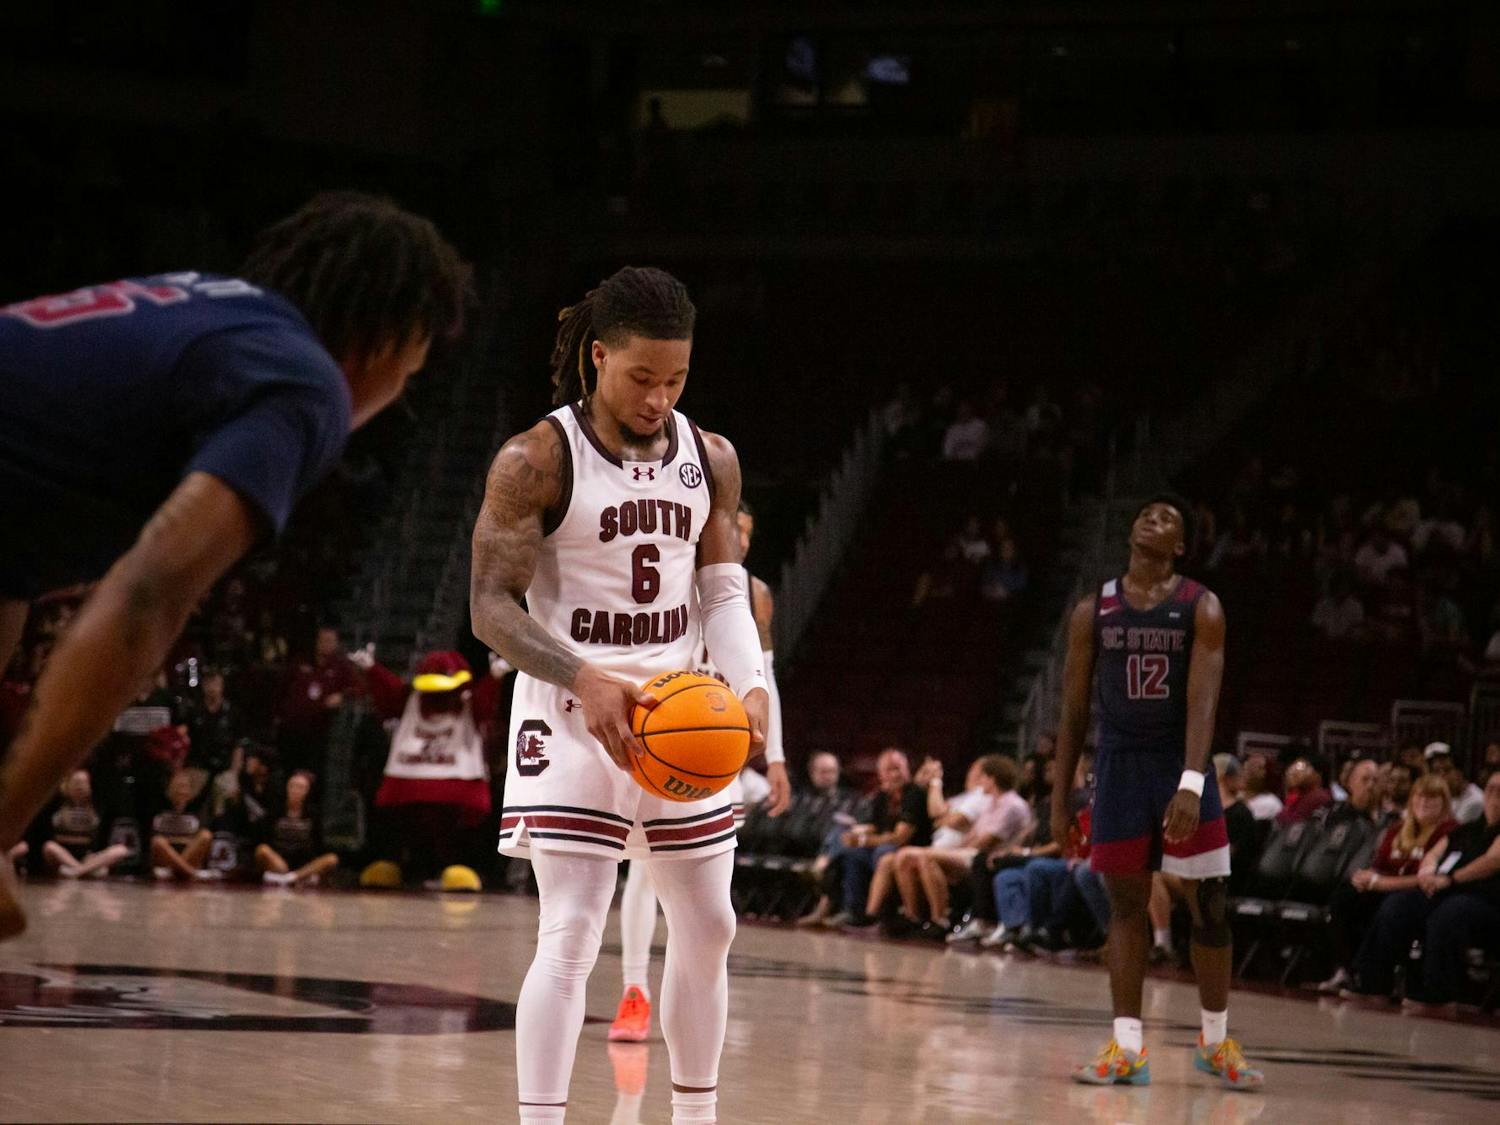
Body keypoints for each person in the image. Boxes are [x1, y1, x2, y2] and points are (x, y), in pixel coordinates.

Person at [0, 192, 470, 940]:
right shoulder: (304, 381)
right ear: (391, 342)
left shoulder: (201, 305)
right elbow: (150, 593)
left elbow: (14, 571)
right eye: (411, 373)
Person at [470, 266, 769, 1125]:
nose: (658, 397)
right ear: (598, 357)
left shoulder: (709, 457)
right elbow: (490, 607)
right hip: (570, 709)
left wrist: (747, 687)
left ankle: (696, 1115)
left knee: (711, 925)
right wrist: (580, 674)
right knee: (570, 929)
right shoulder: (534, 458)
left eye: (675, 379)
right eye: (642, 377)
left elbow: (721, 589)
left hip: (680, 706)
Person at [1053, 493, 1263, 1090]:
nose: (1153, 517)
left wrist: (1192, 784)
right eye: (1146, 512)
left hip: (1179, 763)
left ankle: (1216, 1042)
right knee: (1125, 907)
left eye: (1169, 517)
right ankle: (1127, 1050)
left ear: (1180, 546)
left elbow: (1204, 702)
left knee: (1211, 905)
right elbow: (1072, 713)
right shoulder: (1093, 610)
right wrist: (1058, 796)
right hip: (1118, 766)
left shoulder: (1203, 607)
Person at [610, 499, 790, 1043]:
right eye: (733, 527)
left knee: (708, 890)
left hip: (719, 746)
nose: (741, 538)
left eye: (748, 531)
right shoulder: (666, 575)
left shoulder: (754, 594)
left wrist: (776, 756)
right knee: (644, 871)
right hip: (669, 734)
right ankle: (634, 991)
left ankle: (695, 994)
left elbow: (765, 678)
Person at [1346, 771, 1500, 1007]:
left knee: (1449, 913)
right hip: (1448, 891)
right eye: (1490, 788)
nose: (1493, 795)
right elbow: (1434, 853)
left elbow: (1491, 861)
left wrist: (1450, 879)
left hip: (1486, 900)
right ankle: (1373, 983)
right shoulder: (1468, 829)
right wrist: (1428, 873)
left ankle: (1440, 992)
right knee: (1400, 904)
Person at [1316, 773, 1456, 993]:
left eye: (1432, 798)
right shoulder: (1397, 830)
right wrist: (1364, 877)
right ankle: (1347, 970)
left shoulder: (1449, 833)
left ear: (1444, 802)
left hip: (1419, 894)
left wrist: (1381, 883)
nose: (1424, 803)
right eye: (1419, 797)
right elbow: (1379, 865)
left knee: (1393, 907)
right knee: (1344, 899)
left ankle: (1373, 979)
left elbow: (1429, 878)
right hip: (1385, 887)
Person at [837, 749, 933, 928]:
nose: (894, 774)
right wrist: (859, 833)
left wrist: (865, 841)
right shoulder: (882, 796)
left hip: (912, 847)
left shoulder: (915, 794)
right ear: (880, 774)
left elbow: (900, 837)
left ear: (907, 769)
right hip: (885, 845)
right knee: (852, 853)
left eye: (898, 768)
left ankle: (877, 914)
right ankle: (853, 910)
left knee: (883, 853)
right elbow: (876, 826)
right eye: (889, 770)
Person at [254, 771, 338, 887]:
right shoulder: (276, 810)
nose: (295, 790)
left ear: (307, 791)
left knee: (332, 859)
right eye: (292, 786)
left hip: (303, 863)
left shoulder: (312, 815)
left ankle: (292, 878)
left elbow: (318, 844)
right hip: (279, 859)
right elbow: (264, 837)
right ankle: (286, 876)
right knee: (262, 850)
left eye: (300, 787)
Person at [41, 768, 129, 879]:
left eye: (83, 783)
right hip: (62, 855)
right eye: (76, 783)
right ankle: (85, 870)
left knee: (121, 850)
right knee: (49, 847)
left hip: (87, 856)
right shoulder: (56, 804)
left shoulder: (97, 805)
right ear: (67, 786)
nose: (80, 787)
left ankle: (78, 871)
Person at [148, 770, 217, 882]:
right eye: (177, 786)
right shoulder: (159, 806)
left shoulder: (196, 810)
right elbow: (155, 841)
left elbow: (200, 840)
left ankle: (177, 871)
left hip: (188, 857)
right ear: (169, 788)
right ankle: (191, 873)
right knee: (158, 841)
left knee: (206, 835)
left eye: (184, 787)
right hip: (165, 860)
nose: (181, 791)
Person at [1425, 742, 1484, 823]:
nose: (1441, 776)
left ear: (1460, 772)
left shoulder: (1475, 801)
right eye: (1436, 771)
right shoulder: (1442, 796)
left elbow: (1451, 832)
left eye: (1447, 770)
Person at [1275, 754, 1333, 825]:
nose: (1292, 772)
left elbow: (1291, 825)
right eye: (1292, 767)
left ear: (1318, 774)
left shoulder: (1318, 798)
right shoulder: (1300, 797)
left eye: (1300, 767)